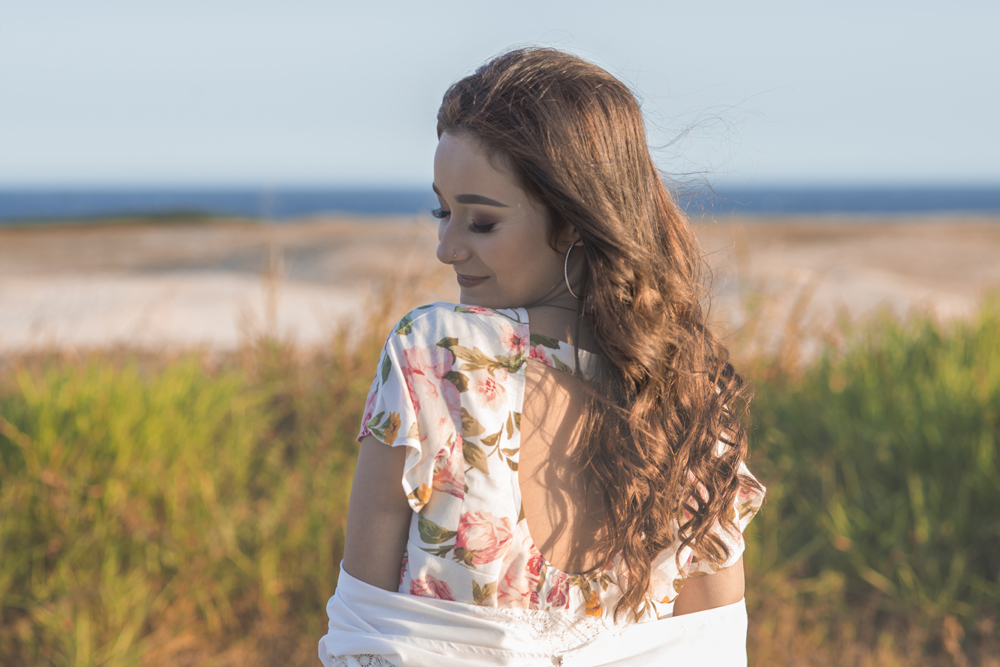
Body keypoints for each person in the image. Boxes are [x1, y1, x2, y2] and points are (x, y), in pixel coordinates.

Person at [319, 47, 765, 667]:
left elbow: (362, 632)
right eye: (443, 212)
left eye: (481, 222)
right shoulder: (692, 400)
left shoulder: (438, 353)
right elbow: (714, 649)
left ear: (575, 221)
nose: (447, 248)